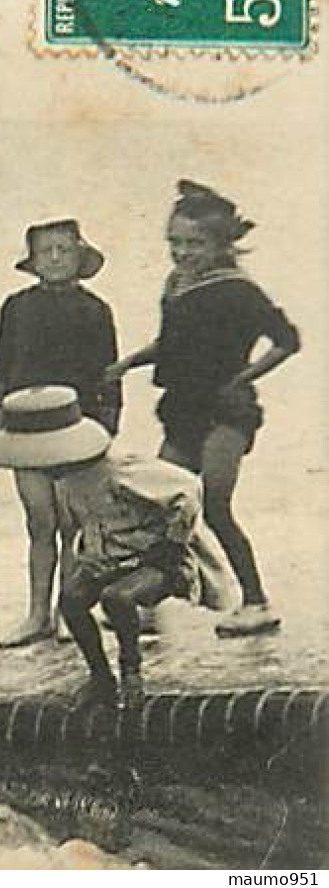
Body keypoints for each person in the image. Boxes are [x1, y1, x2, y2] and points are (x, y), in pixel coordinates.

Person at [106, 180, 301, 638]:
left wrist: (242, 379)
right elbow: (172, 345)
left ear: (222, 243)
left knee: (214, 506)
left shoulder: (237, 289)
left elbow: (287, 340)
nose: (182, 252)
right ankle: (149, 599)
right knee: (162, 507)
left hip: (227, 413)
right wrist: (129, 363)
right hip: (182, 409)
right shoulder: (175, 285)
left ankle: (256, 601)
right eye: (174, 242)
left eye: (195, 243)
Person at [0, 386, 203, 709]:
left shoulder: (117, 470)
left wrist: (171, 543)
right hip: (108, 561)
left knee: (117, 598)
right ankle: (101, 677)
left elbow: (187, 488)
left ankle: (131, 671)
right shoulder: (66, 479)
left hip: (153, 560)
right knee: (71, 602)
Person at [0, 219, 122, 649]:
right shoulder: (15, 306)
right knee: (39, 520)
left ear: (79, 256)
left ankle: (71, 611)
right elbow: (2, 363)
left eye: (63, 249)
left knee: (72, 523)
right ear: (32, 260)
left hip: (75, 427)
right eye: (45, 250)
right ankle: (36, 614)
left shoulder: (96, 309)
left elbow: (108, 374)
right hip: (25, 425)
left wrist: (107, 425)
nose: (54, 257)